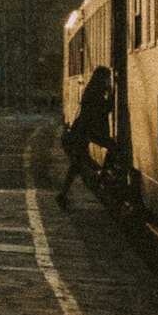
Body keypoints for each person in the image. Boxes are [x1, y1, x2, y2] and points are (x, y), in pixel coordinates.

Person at [57, 66, 113, 208]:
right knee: (112, 147)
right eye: (107, 78)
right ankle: (101, 177)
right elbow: (103, 109)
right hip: (85, 132)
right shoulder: (95, 93)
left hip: (82, 131)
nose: (109, 81)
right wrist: (111, 96)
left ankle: (63, 195)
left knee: (76, 165)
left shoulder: (90, 90)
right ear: (102, 79)